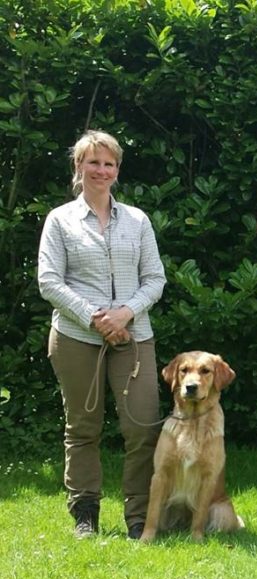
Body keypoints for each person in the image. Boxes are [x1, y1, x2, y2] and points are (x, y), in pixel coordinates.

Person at [38, 130, 166, 540]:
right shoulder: (60, 220)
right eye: (93, 162)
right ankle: (85, 514)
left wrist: (124, 315)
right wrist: (96, 318)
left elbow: (155, 279)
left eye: (109, 163)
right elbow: (49, 281)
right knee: (82, 427)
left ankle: (138, 517)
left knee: (143, 427)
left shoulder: (138, 220)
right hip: (77, 337)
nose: (101, 170)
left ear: (117, 170)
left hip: (134, 337)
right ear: (79, 166)